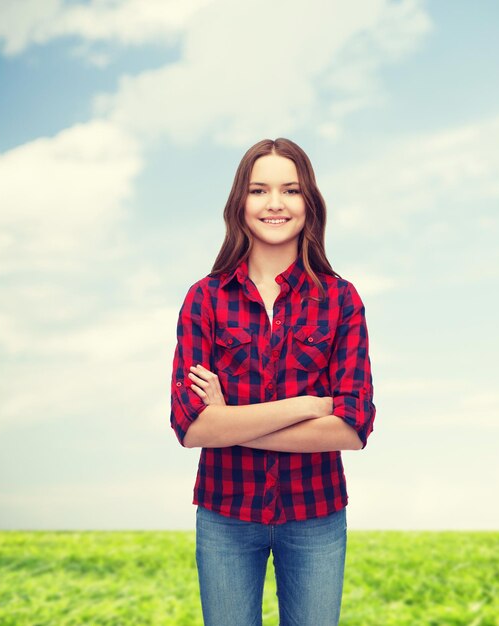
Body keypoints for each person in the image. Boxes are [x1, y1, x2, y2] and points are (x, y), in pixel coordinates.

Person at [169, 137, 376, 626]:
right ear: (240, 203)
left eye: (292, 189)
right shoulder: (205, 299)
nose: (276, 204)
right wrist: (309, 404)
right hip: (226, 514)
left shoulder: (341, 300)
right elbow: (191, 428)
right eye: (260, 190)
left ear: (310, 204)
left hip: (316, 514)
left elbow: (352, 429)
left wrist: (231, 422)